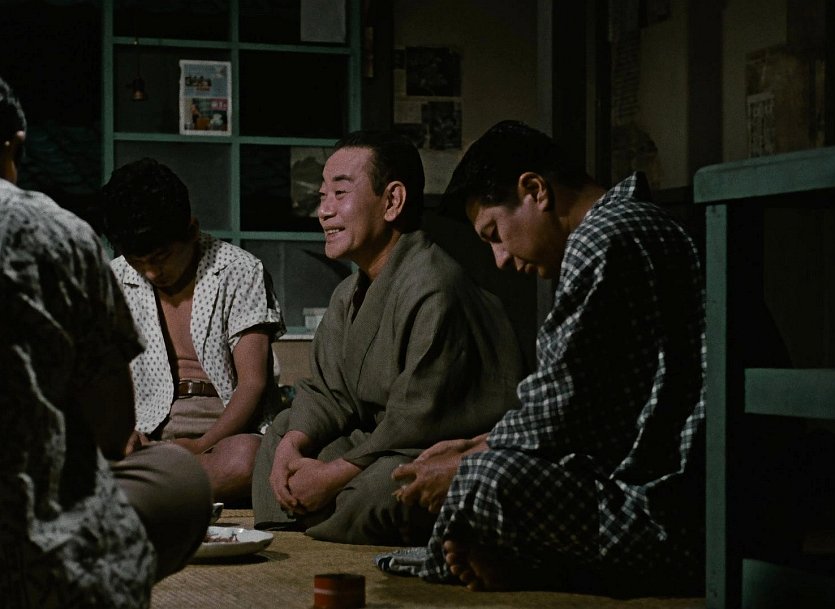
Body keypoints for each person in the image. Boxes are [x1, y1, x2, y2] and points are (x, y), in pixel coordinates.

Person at [388, 120, 706, 594]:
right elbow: (588, 404)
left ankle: (541, 565)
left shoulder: (605, 236)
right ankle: (527, 561)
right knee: (475, 471)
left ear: (535, 190)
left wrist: (466, 462)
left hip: (678, 511)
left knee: (484, 482)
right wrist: (468, 447)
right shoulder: (628, 225)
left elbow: (560, 409)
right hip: (674, 490)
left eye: (495, 233)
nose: (499, 258)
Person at [251, 130, 524, 545]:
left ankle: (317, 519)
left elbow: (417, 421)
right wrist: (293, 445)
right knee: (281, 433)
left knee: (381, 492)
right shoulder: (348, 292)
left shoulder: (435, 285)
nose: (323, 211)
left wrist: (333, 475)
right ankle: (301, 525)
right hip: (376, 443)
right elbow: (328, 391)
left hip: (426, 447)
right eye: (322, 196)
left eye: (340, 193)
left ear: (392, 201)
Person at [0, 76, 211, 608]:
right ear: (15, 145)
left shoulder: (235, 269)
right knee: (176, 478)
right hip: (31, 547)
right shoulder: (58, 233)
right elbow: (112, 427)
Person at [100, 157, 286, 502]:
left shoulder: (239, 270)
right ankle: (163, 486)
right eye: (138, 262)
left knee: (247, 460)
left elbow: (252, 383)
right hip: (148, 434)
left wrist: (201, 445)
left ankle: (141, 490)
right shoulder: (114, 279)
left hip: (225, 435)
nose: (151, 273)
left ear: (192, 230)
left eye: (161, 258)